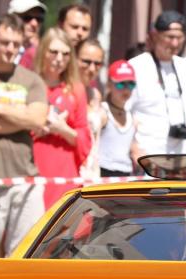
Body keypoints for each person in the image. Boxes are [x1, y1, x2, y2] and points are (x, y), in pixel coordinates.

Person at [0, 13, 47, 257]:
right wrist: (20, 117)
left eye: (16, 44)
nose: (10, 49)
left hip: (25, 180)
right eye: (4, 42)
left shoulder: (31, 80)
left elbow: (37, 119)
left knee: (25, 255)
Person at [32, 28, 91, 207]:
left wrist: (61, 129)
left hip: (64, 171)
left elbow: (85, 140)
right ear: (43, 52)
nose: (59, 59)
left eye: (65, 54)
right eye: (54, 52)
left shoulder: (76, 89)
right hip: (33, 166)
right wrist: (40, 127)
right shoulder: (30, 83)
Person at [129, 11, 186, 157]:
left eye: (179, 38)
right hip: (147, 155)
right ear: (155, 36)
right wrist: (133, 147)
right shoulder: (137, 66)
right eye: (170, 37)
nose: (175, 43)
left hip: (181, 156)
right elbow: (124, 111)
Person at [96, 59, 136, 177]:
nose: (126, 89)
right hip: (103, 172)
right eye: (120, 84)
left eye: (131, 84)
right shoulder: (102, 113)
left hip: (125, 173)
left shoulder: (132, 118)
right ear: (109, 85)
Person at [0, 0, 45, 64]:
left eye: (39, 19)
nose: (34, 24)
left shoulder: (39, 53)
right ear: (12, 17)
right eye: (27, 17)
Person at [76, 37, 103, 177]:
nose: (92, 68)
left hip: (91, 171)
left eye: (98, 63)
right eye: (86, 62)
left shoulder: (95, 94)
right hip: (71, 169)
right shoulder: (67, 91)